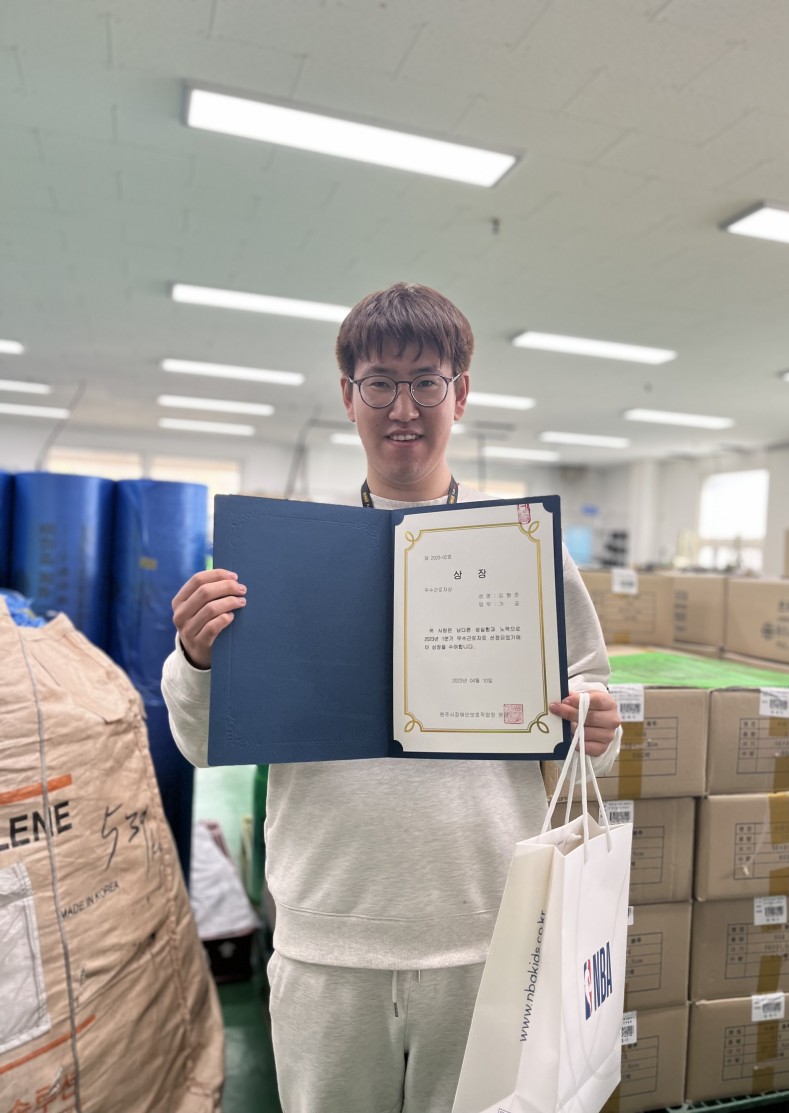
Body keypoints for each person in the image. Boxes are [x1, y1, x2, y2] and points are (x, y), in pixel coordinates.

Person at [162, 282, 622, 1113]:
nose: (402, 407)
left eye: (425, 382)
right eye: (379, 382)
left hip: (487, 931)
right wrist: (195, 656)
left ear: (461, 393)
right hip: (329, 937)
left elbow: (595, 706)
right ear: (348, 395)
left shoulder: (526, 549)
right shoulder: (285, 556)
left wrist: (596, 722)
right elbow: (201, 741)